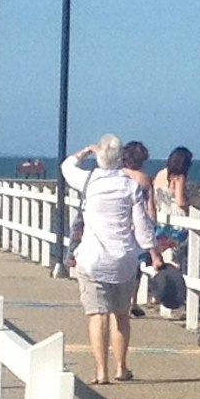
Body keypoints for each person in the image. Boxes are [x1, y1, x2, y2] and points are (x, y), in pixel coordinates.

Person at [61, 134, 161, 384]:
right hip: (124, 260)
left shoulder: (88, 180)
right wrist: (154, 254)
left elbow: (66, 166)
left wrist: (85, 150)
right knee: (121, 314)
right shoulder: (130, 186)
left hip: (92, 259)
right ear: (120, 159)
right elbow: (143, 227)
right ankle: (121, 367)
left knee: (97, 315)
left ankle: (101, 372)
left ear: (100, 157)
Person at [150, 145, 200, 317]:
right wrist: (190, 206)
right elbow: (180, 201)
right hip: (177, 224)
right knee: (175, 262)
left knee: (162, 260)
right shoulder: (179, 177)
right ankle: (170, 301)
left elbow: (155, 195)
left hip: (162, 220)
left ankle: (157, 293)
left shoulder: (160, 174)